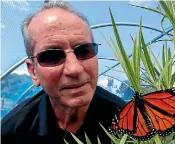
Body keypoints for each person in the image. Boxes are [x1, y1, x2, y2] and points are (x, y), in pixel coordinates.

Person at [1, 1, 126, 144]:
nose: (74, 69)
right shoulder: (12, 133)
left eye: (84, 50)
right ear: (33, 71)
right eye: (52, 56)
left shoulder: (125, 119)